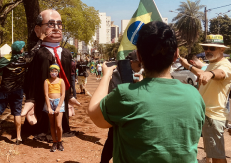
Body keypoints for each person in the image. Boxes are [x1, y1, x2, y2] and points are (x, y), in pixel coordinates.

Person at [88, 21, 205, 162]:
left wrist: (106, 75)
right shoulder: (194, 95)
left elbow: (95, 114)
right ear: (176, 55)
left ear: (140, 56)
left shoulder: (125, 95)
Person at [179, 34, 231, 163]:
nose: (208, 51)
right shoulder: (211, 64)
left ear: (222, 50)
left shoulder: (225, 65)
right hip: (207, 115)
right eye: (206, 48)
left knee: (217, 156)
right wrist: (187, 65)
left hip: (213, 116)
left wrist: (210, 74)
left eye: (212, 48)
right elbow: (202, 73)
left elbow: (221, 73)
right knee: (212, 152)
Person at [22, 9, 75, 136]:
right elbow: (31, 78)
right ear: (38, 29)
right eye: (50, 24)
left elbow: (69, 76)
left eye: (59, 24)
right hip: (43, 97)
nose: (56, 28)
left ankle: (62, 127)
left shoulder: (66, 53)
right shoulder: (38, 54)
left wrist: (70, 95)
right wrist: (31, 99)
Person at [100, 50, 142, 163]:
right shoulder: (117, 72)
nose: (141, 66)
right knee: (112, 140)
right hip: (119, 113)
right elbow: (118, 93)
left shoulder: (127, 71)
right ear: (131, 62)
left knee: (113, 140)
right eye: (139, 64)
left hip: (124, 113)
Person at [43, 64, 65, 152]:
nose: (54, 73)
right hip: (50, 102)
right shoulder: (47, 81)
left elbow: (63, 94)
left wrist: (59, 106)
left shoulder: (61, 81)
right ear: (49, 72)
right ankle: (54, 142)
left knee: (58, 125)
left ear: (58, 72)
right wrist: (49, 107)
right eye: (52, 71)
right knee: (52, 124)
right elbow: (46, 94)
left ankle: (60, 141)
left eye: (55, 71)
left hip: (59, 102)